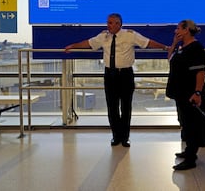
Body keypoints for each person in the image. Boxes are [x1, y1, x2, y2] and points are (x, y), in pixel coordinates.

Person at [65, 13, 168, 147]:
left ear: (119, 24)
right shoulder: (103, 36)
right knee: (112, 107)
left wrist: (165, 47)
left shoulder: (130, 35)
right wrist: (72, 46)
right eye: (108, 23)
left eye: (113, 23)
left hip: (125, 74)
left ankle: (125, 137)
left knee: (126, 107)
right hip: (110, 75)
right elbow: (88, 43)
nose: (110, 25)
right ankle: (116, 136)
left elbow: (148, 42)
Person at [165, 19, 205, 170]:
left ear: (186, 30)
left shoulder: (196, 48)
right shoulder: (182, 47)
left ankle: (191, 158)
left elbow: (200, 72)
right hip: (180, 92)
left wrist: (197, 92)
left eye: (178, 29)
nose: (176, 31)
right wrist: (174, 43)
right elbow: (170, 58)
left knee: (191, 124)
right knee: (184, 122)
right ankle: (189, 150)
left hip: (189, 93)